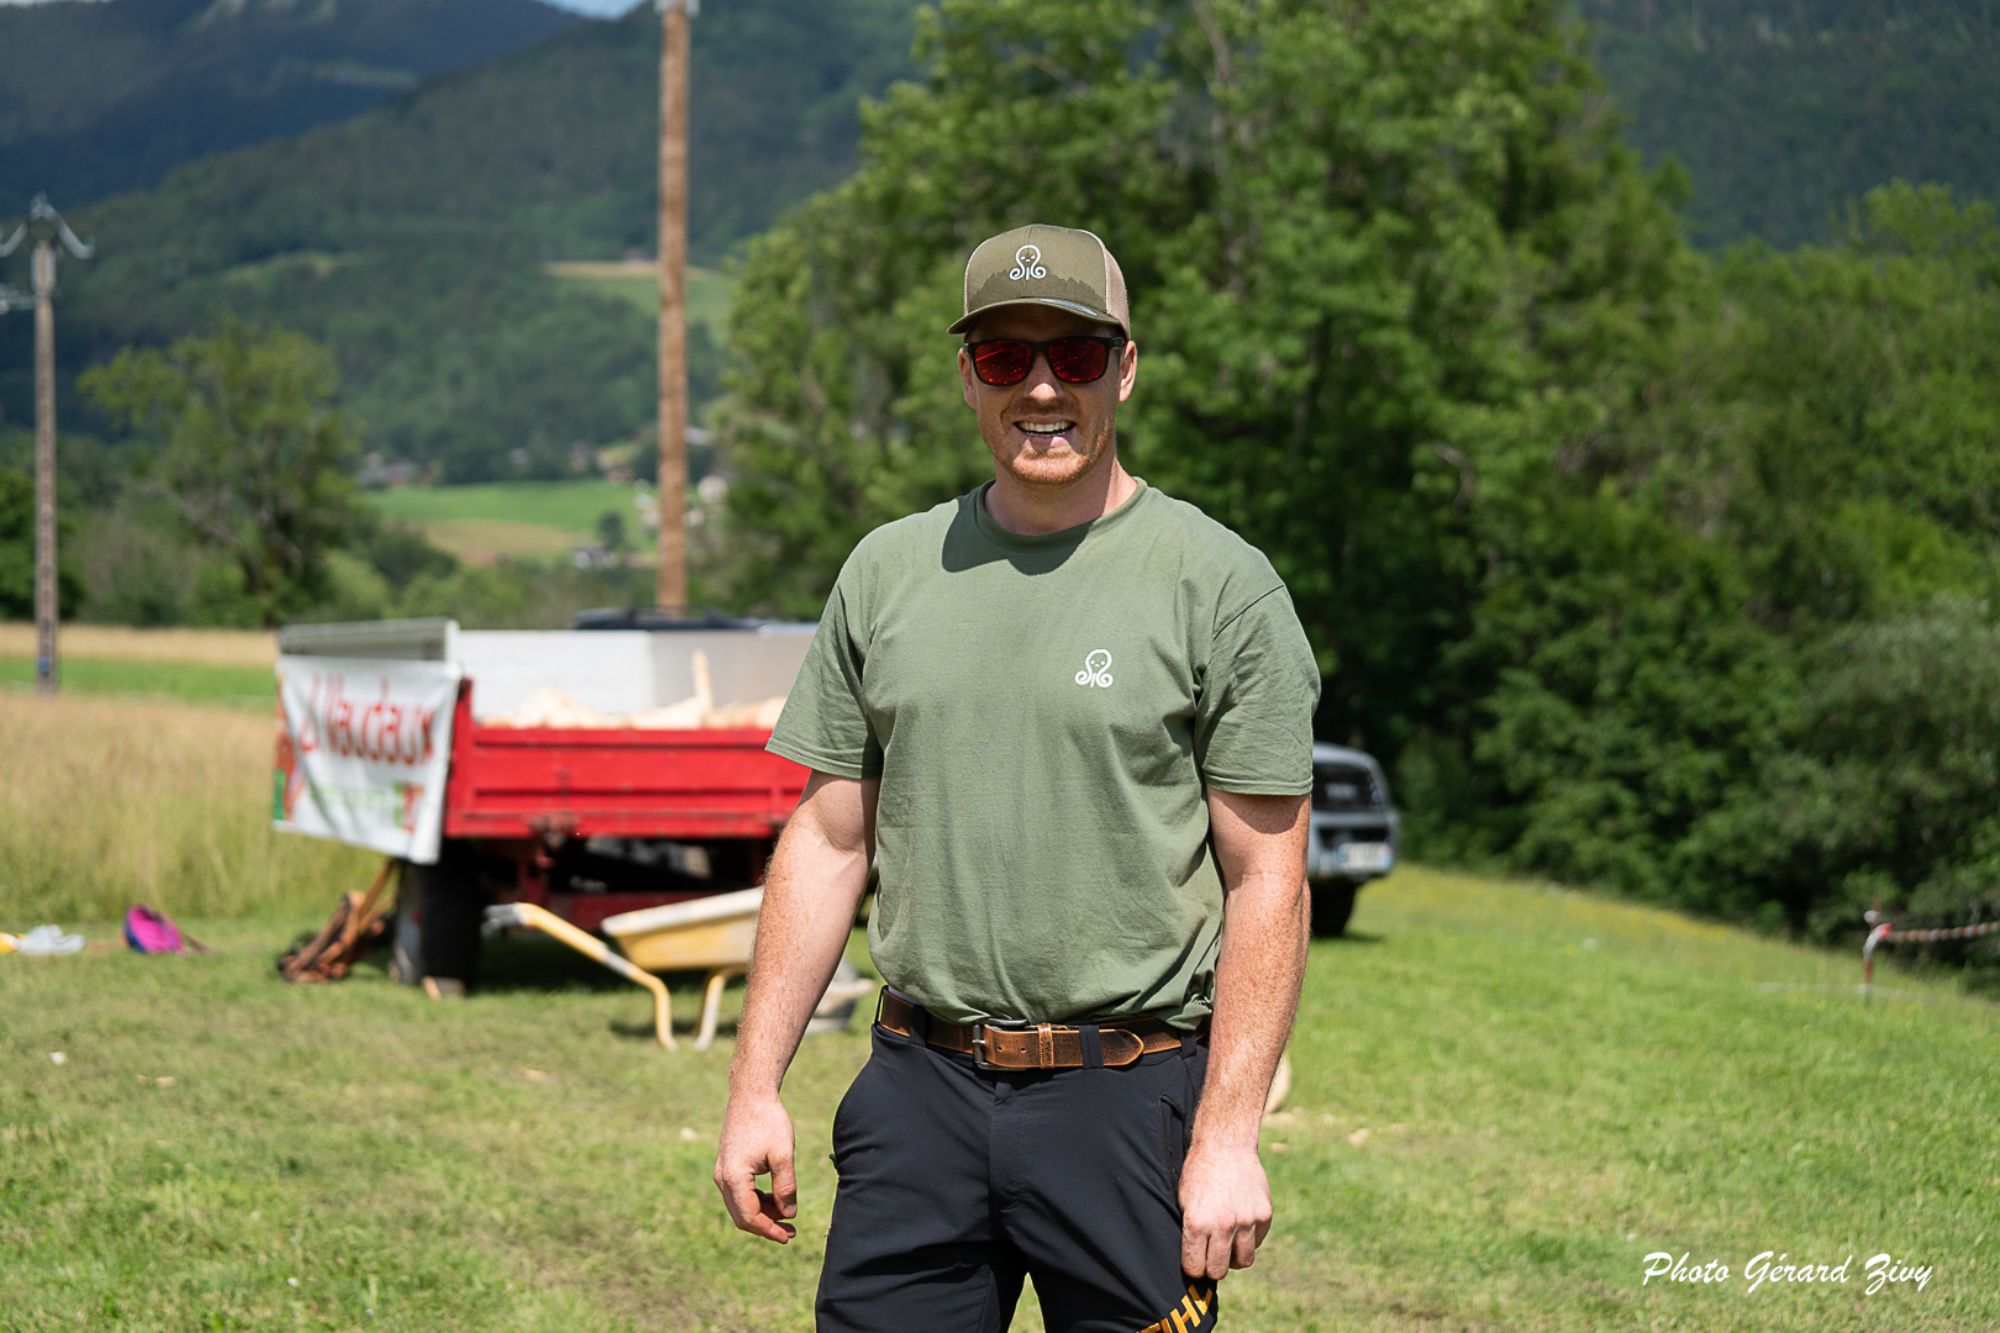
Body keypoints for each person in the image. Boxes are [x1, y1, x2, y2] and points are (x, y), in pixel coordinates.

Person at [713, 223, 1320, 1332]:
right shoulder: (887, 572)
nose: (1041, 388)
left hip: (1128, 1098)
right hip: (918, 1090)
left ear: (1123, 369)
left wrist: (1228, 1136)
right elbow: (829, 840)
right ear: (968, 377)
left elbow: (1268, 879)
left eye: (1075, 354)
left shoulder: (1221, 586)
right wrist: (755, 1086)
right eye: (1005, 357)